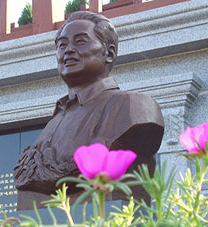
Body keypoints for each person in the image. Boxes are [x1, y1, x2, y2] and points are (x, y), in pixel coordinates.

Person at [14, 11, 164, 210]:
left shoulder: (134, 108)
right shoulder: (52, 124)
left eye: (80, 42)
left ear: (109, 53)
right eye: (62, 45)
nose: (68, 50)